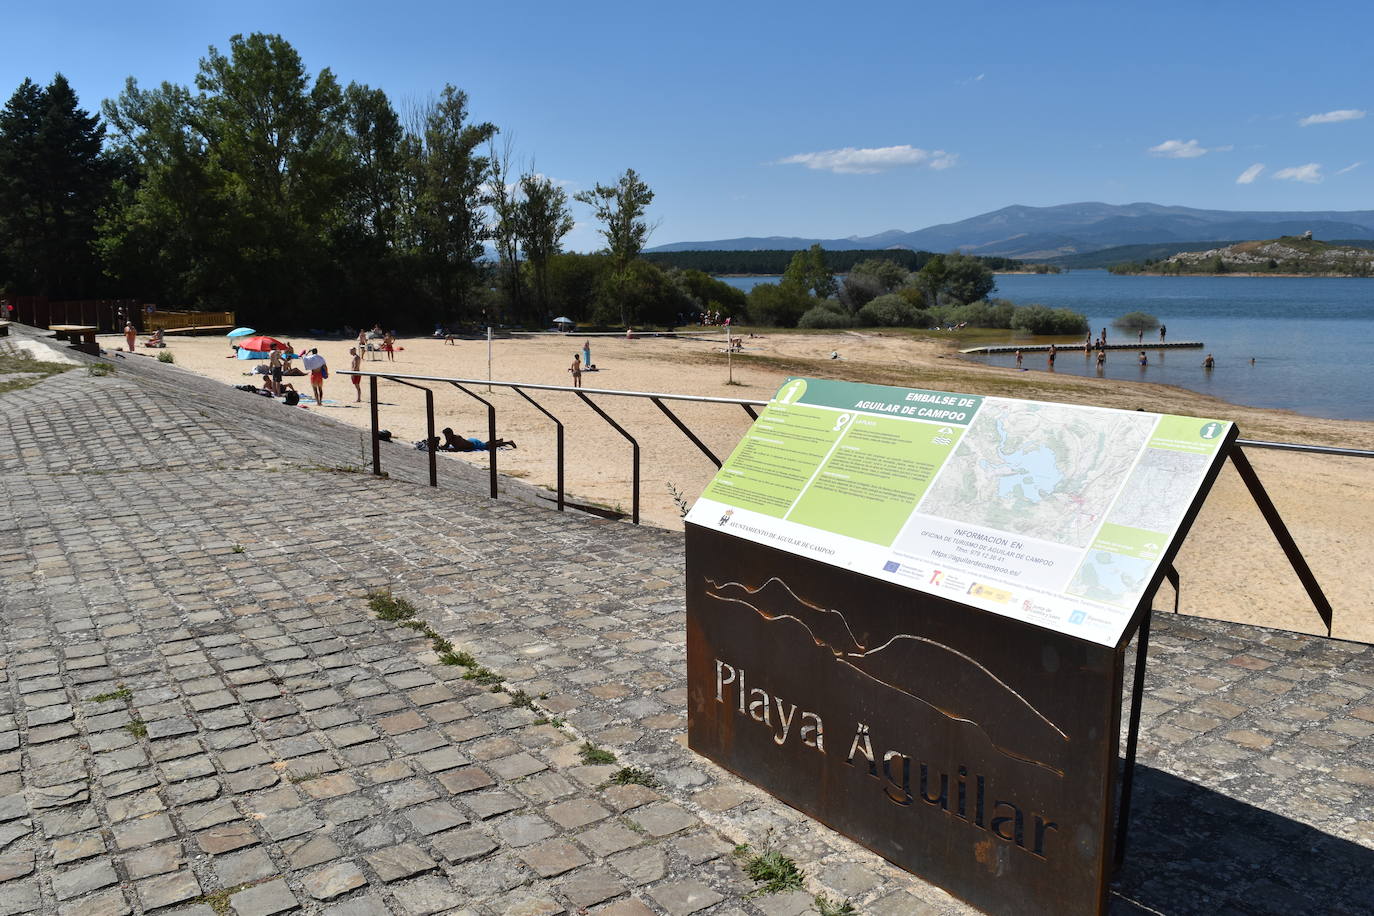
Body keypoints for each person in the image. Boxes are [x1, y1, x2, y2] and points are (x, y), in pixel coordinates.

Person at [441, 428, 516, 451]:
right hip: (471, 441)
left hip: (474, 444)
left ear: (449, 434)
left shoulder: (456, 439)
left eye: (445, 435)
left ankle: (508, 442)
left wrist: (452, 449)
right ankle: (498, 441)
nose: (445, 437)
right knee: (485, 444)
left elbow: (462, 448)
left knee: (487, 446)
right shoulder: (451, 438)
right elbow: (446, 446)